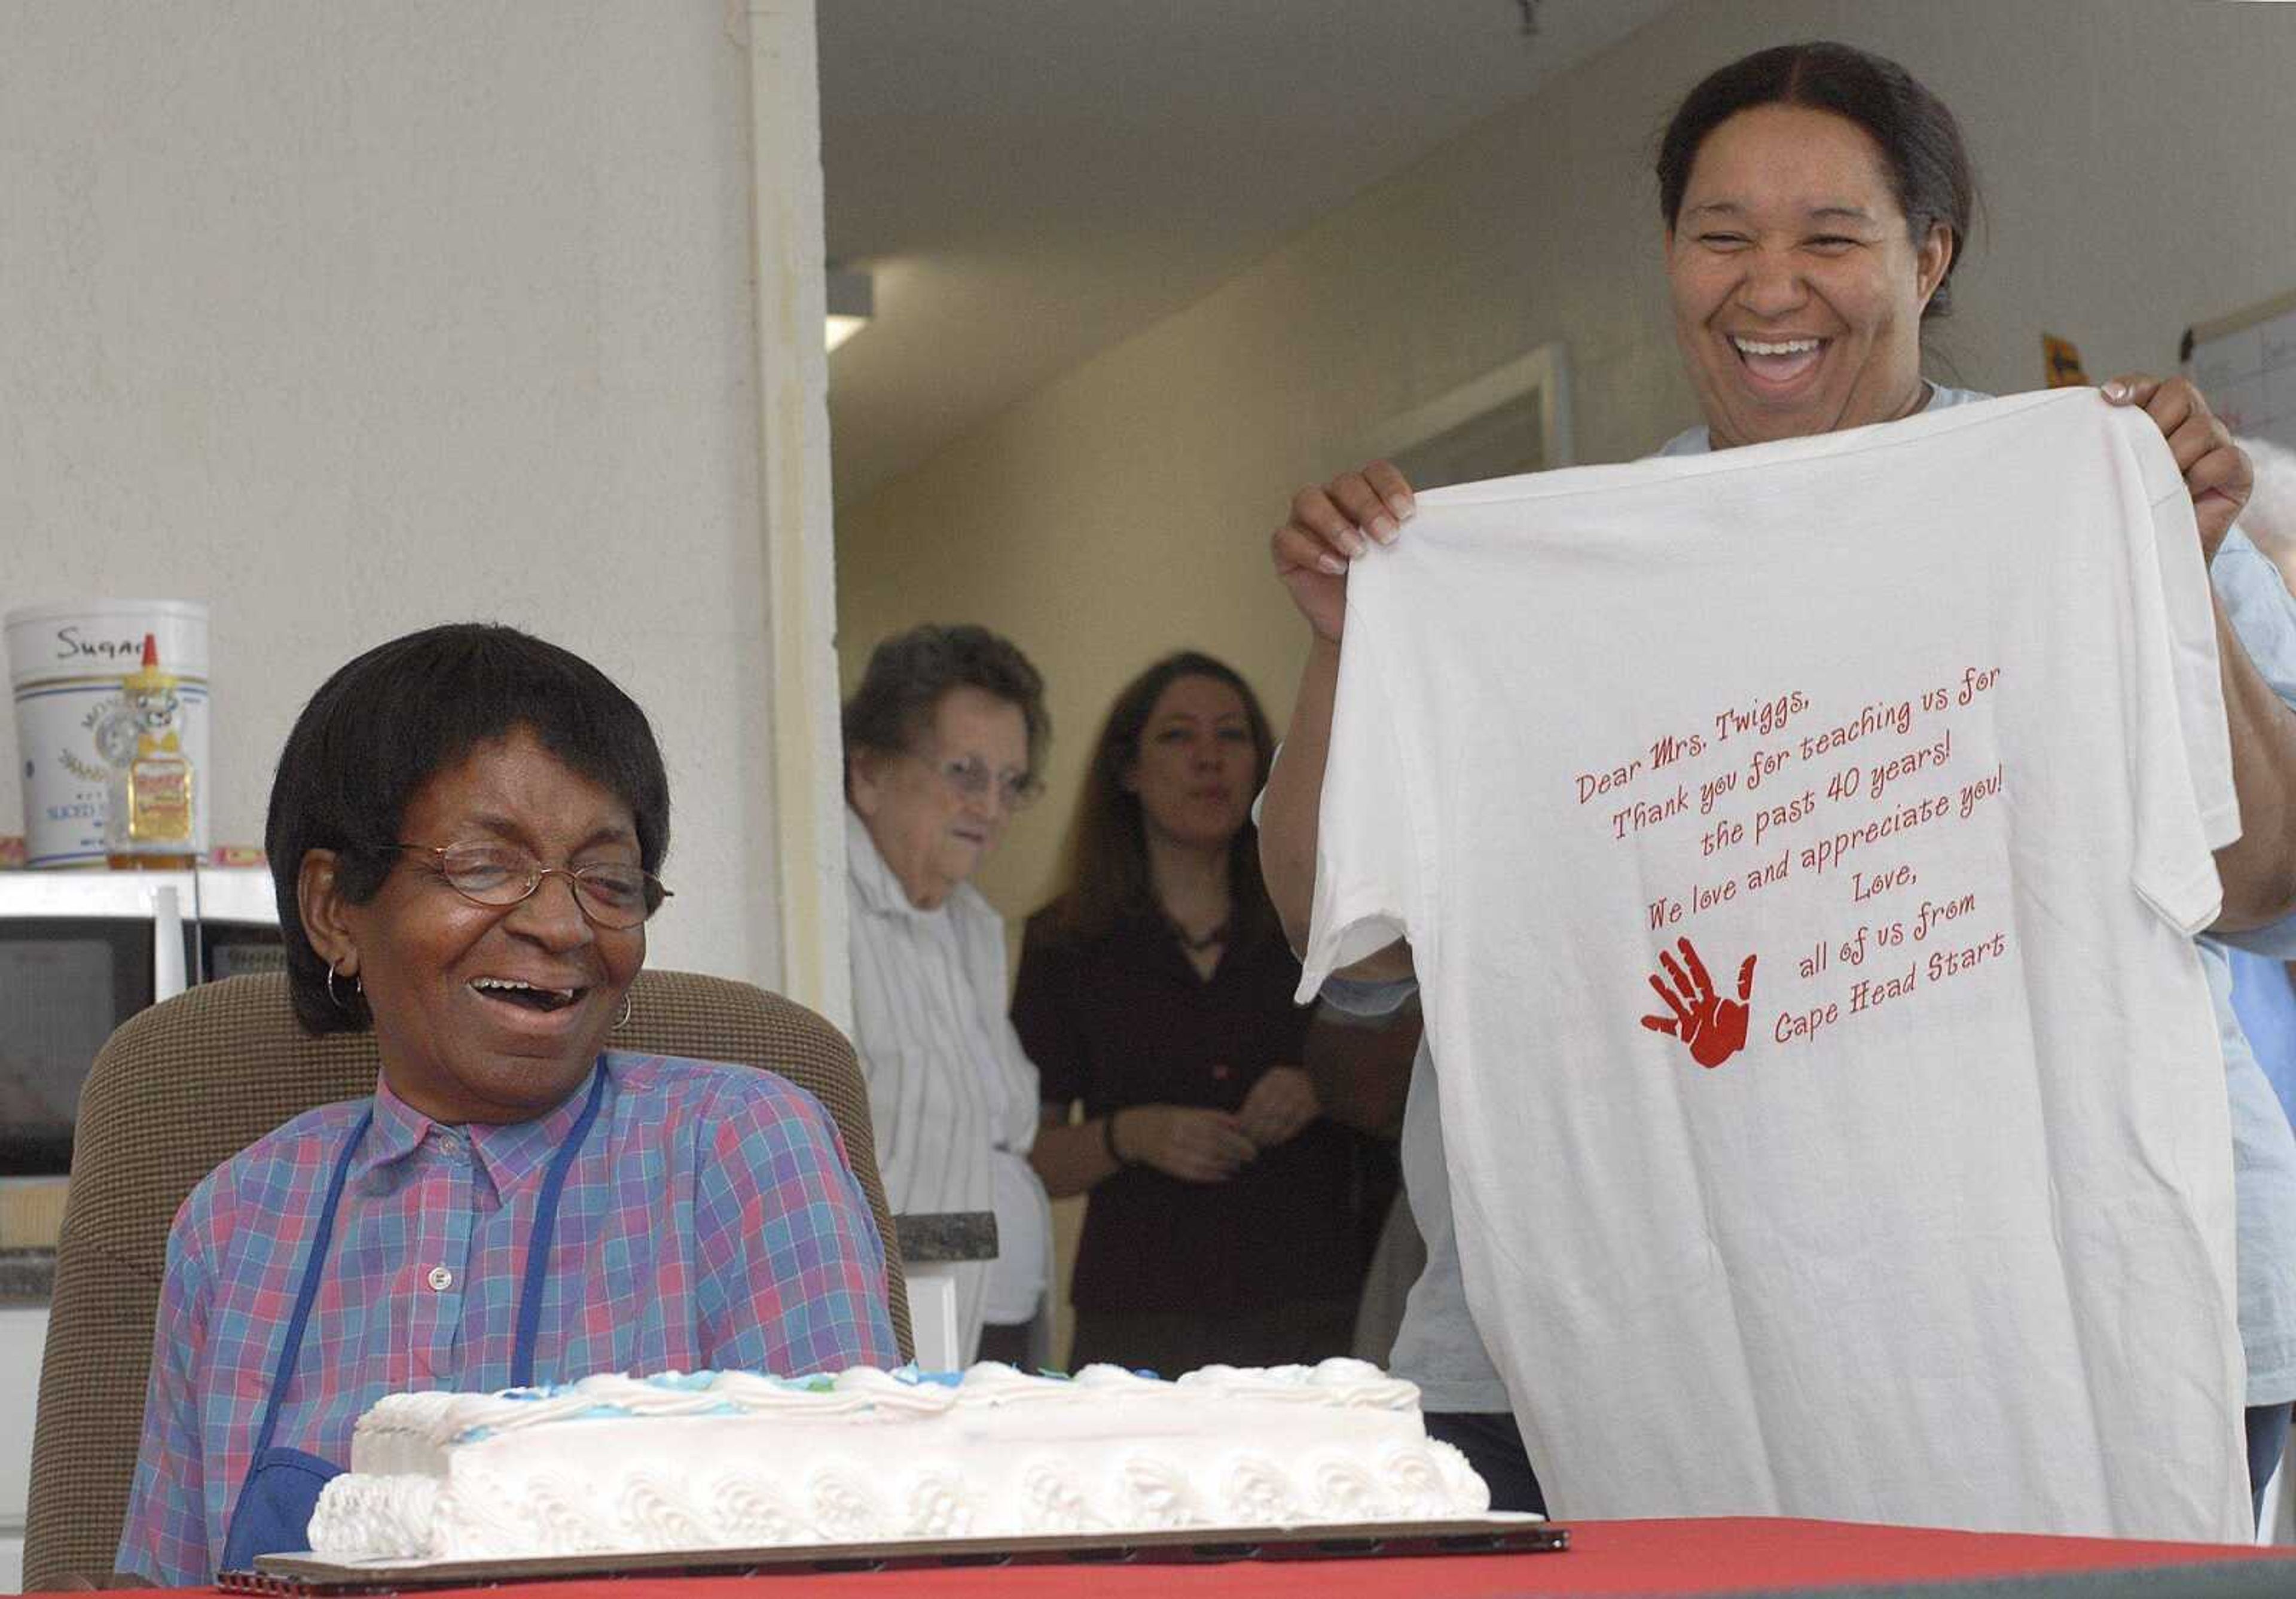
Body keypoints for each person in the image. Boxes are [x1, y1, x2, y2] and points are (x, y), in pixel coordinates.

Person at [1258, 40, 2296, 1525]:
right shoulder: (1539, 586)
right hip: (1623, 1321)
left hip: (2073, 1307)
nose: (1768, 285)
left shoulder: (2091, 499)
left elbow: (2265, 888)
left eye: (1829, 236)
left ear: (1927, 256)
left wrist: (2167, 578)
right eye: (1721, 235)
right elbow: (1343, 945)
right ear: (1670, 257)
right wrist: (1353, 651)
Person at [116, 623, 899, 1585]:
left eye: (608, 879)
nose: (561, 923)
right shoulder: (233, 1225)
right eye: (485, 865)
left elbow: (856, 1564)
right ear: (334, 909)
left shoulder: (746, 1151)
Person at [1015, 651, 1369, 1374]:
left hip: (1317, 1302)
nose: (1209, 758)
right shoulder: (1066, 942)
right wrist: (1130, 1134)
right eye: (1178, 736)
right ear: (1129, 771)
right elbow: (1029, 1161)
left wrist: (1321, 1083)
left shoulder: (1327, 918)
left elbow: (1413, 1084)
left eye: (1232, 736)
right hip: (1142, 1315)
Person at [842, 624, 1055, 1368]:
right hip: (898, 1337)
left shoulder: (971, 925)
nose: (991, 807)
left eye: (1011, 782)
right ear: (867, 772)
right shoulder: (825, 913)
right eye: (965, 772)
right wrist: (959, 1238)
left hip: (994, 1324)